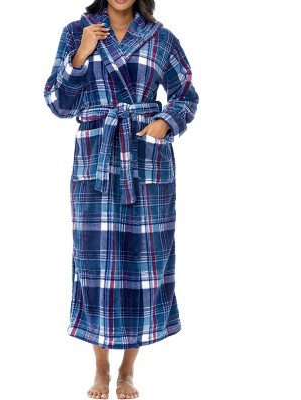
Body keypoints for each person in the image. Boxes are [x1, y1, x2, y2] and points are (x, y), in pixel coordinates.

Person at [43, 0, 199, 398]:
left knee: (143, 261)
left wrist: (165, 122)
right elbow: (59, 104)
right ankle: (100, 367)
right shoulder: (77, 33)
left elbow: (186, 94)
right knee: (96, 261)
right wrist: (80, 56)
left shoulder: (161, 38)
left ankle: (127, 370)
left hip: (146, 158)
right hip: (96, 158)